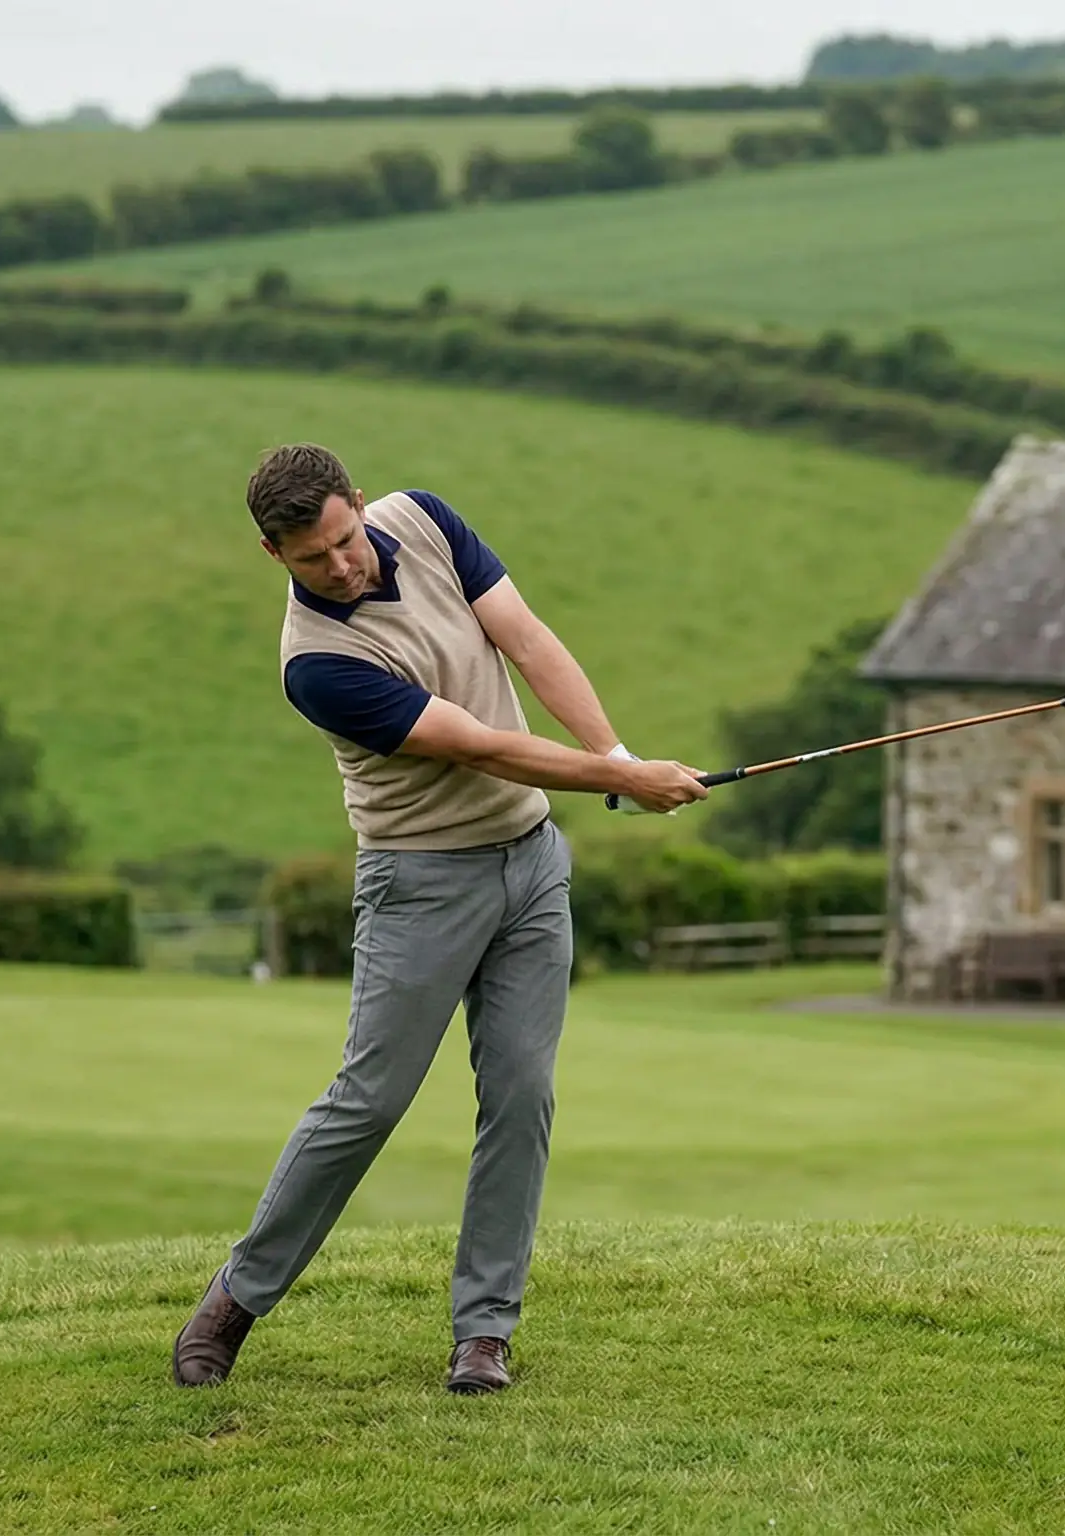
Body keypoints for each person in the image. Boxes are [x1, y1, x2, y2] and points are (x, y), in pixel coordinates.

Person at [172, 443, 707, 1395]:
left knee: (520, 1093)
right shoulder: (318, 664)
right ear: (274, 557)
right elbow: (482, 747)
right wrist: (622, 780)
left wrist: (613, 756)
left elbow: (529, 641)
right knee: (368, 1102)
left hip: (533, 868)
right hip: (421, 884)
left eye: (342, 540)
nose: (338, 566)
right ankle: (235, 1300)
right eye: (311, 559)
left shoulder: (423, 520)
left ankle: (484, 1334)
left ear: (360, 506)